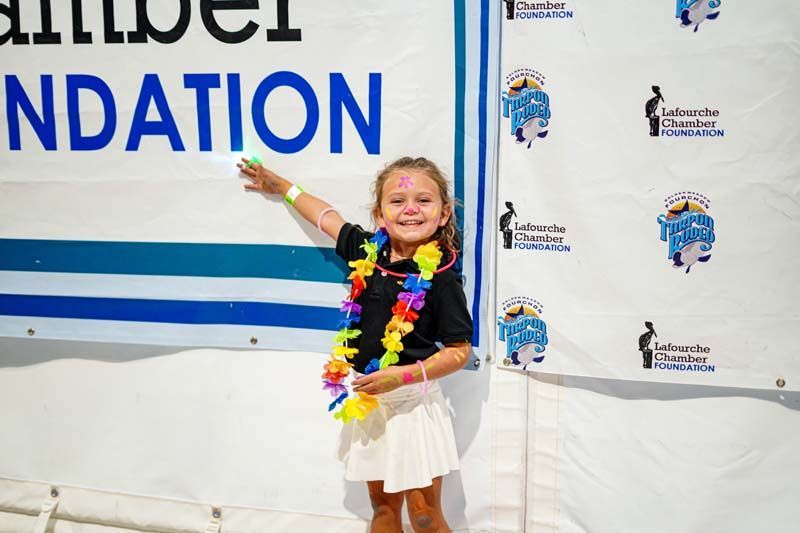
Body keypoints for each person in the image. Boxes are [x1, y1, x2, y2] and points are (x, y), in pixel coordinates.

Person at [238, 156, 473, 533]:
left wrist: (405, 376)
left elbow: (460, 351)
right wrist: (282, 187)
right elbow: (325, 216)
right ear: (380, 216)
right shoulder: (367, 252)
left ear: (443, 214)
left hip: (412, 404)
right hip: (368, 402)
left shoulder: (442, 278)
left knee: (425, 514)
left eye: (423, 200)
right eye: (397, 201)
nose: (410, 209)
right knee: (382, 509)